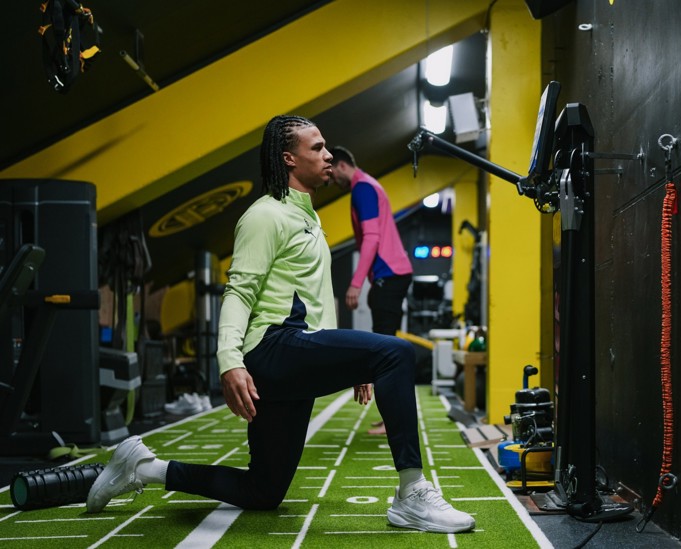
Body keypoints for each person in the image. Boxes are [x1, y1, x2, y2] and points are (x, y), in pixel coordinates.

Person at [85, 115, 475, 534]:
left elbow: (315, 296)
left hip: (295, 350)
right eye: (318, 148)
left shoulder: (308, 218)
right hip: (273, 346)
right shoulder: (264, 216)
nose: (328, 156)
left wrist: (358, 363)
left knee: (263, 491)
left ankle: (144, 467)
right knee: (396, 349)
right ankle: (411, 494)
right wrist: (229, 361)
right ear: (289, 159)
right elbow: (238, 292)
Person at [329, 146, 414, 436]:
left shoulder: (362, 188)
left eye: (331, 172)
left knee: (386, 352)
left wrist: (355, 282)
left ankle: (395, 420)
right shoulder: (369, 184)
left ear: (341, 166)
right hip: (389, 275)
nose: (331, 180)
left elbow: (372, 238)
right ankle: (392, 417)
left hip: (390, 274)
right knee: (386, 348)